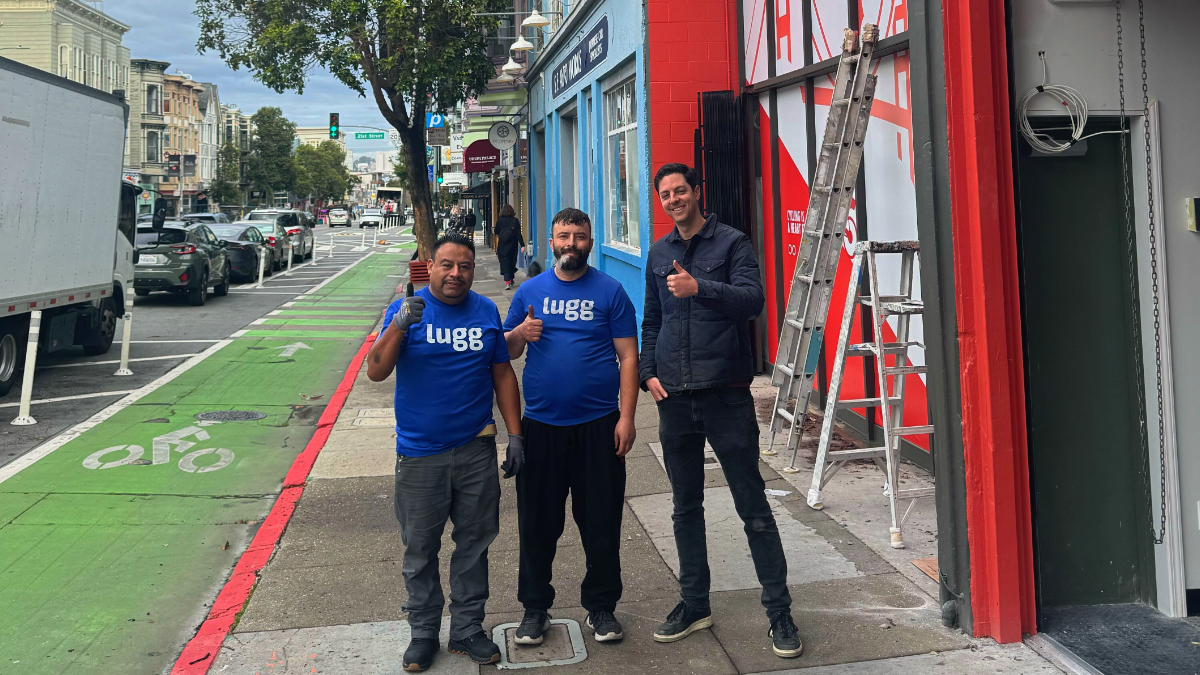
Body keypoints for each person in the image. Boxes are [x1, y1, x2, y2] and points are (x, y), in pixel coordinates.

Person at [640, 163, 803, 659]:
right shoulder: (658, 252)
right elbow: (651, 320)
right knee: (684, 507)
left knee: (752, 506)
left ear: (696, 193)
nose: (674, 200)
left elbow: (753, 301)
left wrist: (701, 288)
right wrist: (649, 372)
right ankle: (694, 604)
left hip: (726, 395)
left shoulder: (731, 243)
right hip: (674, 398)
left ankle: (780, 613)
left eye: (681, 191)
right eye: (666, 194)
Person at [366, 232, 526, 672]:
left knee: (474, 545)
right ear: (430, 266)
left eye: (466, 266)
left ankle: (467, 629)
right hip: (419, 456)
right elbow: (376, 372)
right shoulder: (407, 312)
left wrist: (516, 435)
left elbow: (503, 374)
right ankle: (422, 633)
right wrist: (399, 326)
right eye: (448, 265)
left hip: (475, 450)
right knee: (419, 548)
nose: (457, 274)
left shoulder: (485, 311)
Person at [503, 207, 639, 646]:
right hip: (541, 427)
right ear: (551, 242)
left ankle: (601, 608)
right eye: (564, 236)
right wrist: (521, 332)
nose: (571, 244)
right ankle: (534, 608)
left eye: (579, 236)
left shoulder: (611, 291)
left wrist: (627, 417)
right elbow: (504, 354)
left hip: (599, 427)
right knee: (537, 524)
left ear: (590, 241)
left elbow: (629, 357)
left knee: (601, 522)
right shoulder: (530, 291)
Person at [493, 204, 525, 290]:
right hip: (513, 245)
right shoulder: (515, 221)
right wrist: (522, 245)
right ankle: (510, 278)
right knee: (512, 262)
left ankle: (507, 281)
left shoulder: (499, 221)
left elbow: (496, 231)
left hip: (502, 245)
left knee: (504, 262)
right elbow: (518, 234)